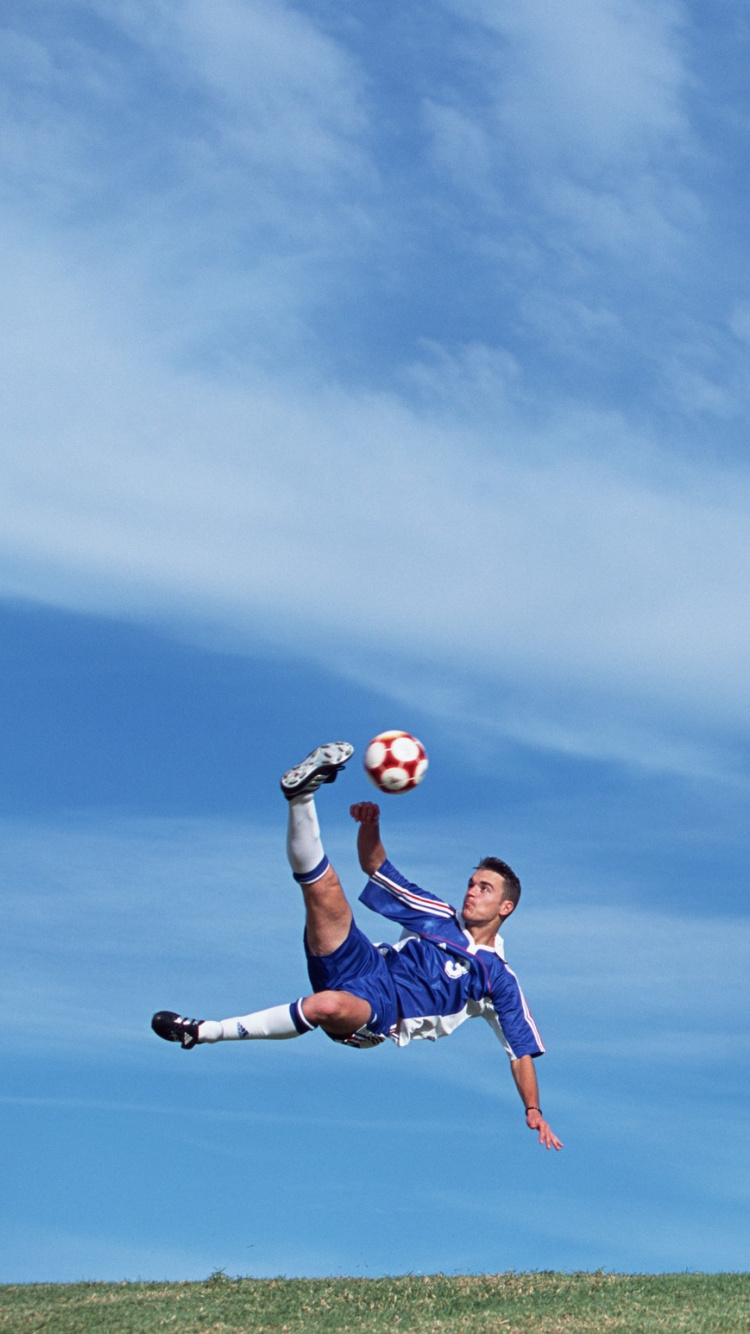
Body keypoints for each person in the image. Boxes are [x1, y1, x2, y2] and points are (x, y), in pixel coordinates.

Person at [152, 742, 563, 1151]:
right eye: (472, 883)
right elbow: (375, 867)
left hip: (383, 1011)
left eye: (484, 888)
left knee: (325, 1006)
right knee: (323, 889)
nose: (472, 892)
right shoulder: (438, 915)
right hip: (366, 961)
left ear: (505, 906)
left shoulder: (499, 978)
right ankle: (301, 798)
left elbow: (519, 1052)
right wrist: (371, 824)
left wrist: (533, 1109)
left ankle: (204, 1032)